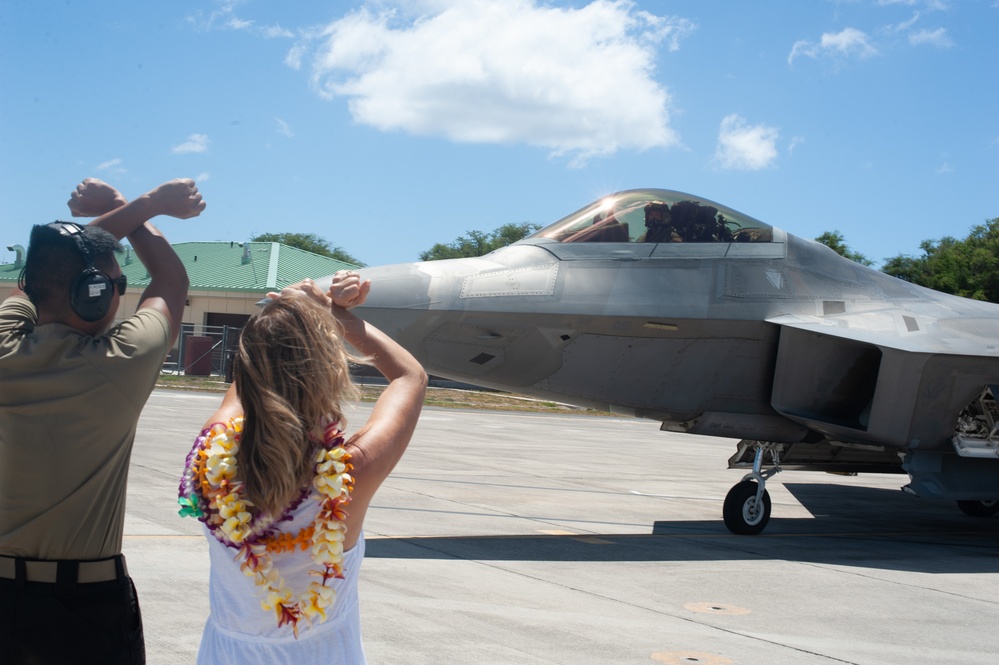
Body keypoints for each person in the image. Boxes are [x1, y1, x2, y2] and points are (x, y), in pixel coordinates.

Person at [0, 177, 205, 664]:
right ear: (94, 294)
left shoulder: (5, 341)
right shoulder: (120, 361)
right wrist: (134, 207)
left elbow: (46, 267)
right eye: (117, 287)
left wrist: (138, 205)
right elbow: (172, 280)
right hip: (81, 608)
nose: (119, 294)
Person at [179, 274, 427, 664]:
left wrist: (300, 311)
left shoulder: (211, 459)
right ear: (330, 373)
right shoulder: (350, 472)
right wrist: (333, 314)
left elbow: (253, 378)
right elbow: (409, 376)